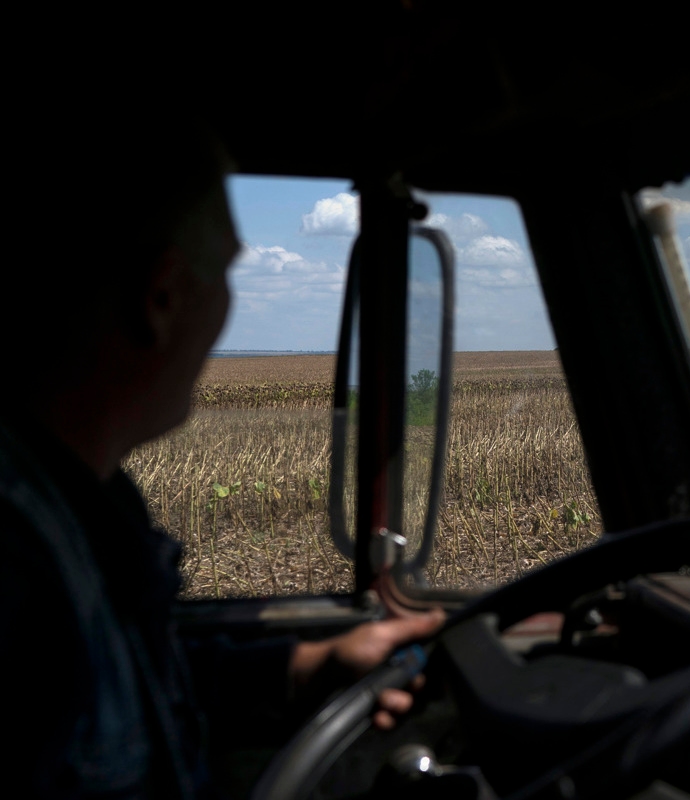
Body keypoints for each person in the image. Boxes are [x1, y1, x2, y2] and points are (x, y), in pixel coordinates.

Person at [0, 104, 443, 797]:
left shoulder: (75, 511)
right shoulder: (14, 574)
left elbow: (133, 682)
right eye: (230, 272)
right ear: (163, 298)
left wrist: (303, 665)